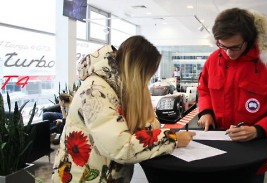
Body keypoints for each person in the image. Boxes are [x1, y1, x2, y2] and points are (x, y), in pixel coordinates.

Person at [51, 35, 196, 183]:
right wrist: (172, 139)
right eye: (147, 75)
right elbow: (120, 147)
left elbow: (149, 127)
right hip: (82, 177)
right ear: (138, 70)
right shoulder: (94, 91)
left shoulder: (121, 89)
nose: (146, 81)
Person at [197, 8, 267, 183]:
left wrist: (257, 130)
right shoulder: (213, 60)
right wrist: (206, 112)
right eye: (222, 46)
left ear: (249, 39)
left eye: (235, 47)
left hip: (253, 154)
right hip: (216, 149)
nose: (228, 53)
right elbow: (204, 89)